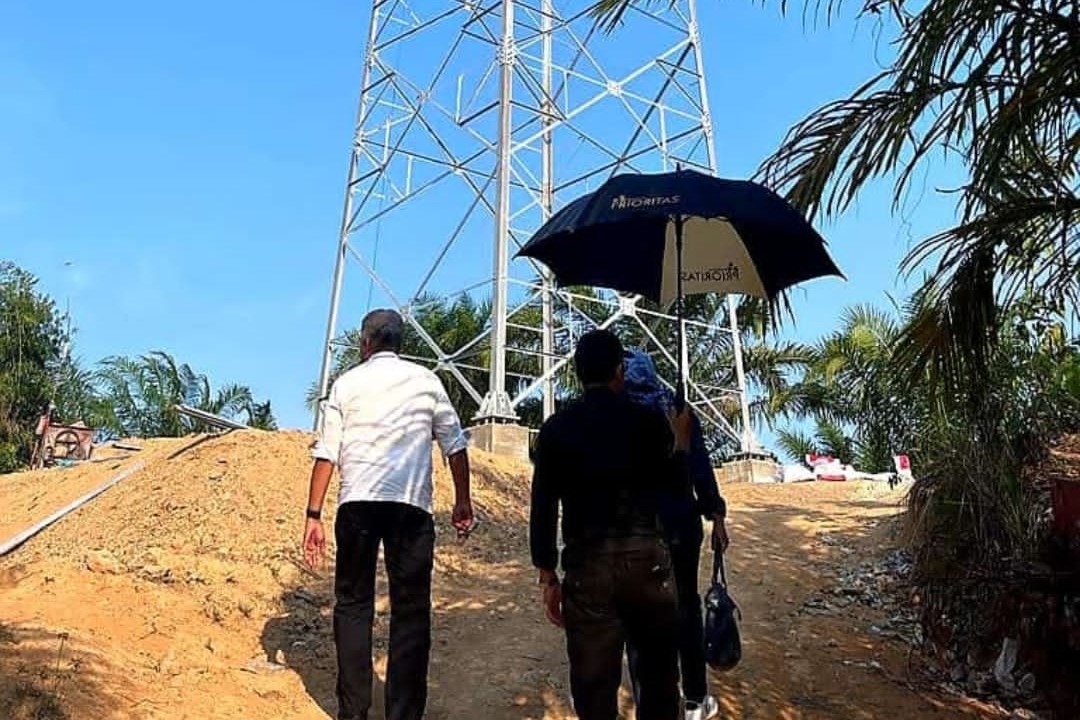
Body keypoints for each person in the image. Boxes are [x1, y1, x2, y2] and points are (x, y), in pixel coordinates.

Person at [302, 308, 475, 720]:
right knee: (411, 609)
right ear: (400, 343)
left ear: (365, 344)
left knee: (353, 603)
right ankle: (404, 712)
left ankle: (353, 710)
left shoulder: (346, 384)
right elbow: (455, 444)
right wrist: (462, 501)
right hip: (411, 508)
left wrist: (313, 515)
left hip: (357, 504)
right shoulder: (427, 382)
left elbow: (327, 452)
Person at [529, 329, 694, 720]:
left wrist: (547, 573)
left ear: (577, 373)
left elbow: (543, 506)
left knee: (593, 690)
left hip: (588, 569)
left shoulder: (556, 429)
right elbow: (675, 490)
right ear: (620, 371)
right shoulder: (649, 423)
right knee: (658, 685)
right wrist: (681, 442)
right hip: (646, 565)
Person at [622, 349, 729, 720]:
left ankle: (648, 704)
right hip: (682, 523)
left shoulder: (623, 416)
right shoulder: (676, 409)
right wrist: (717, 513)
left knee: (640, 614)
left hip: (639, 528)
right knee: (685, 608)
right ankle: (696, 698)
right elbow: (700, 465)